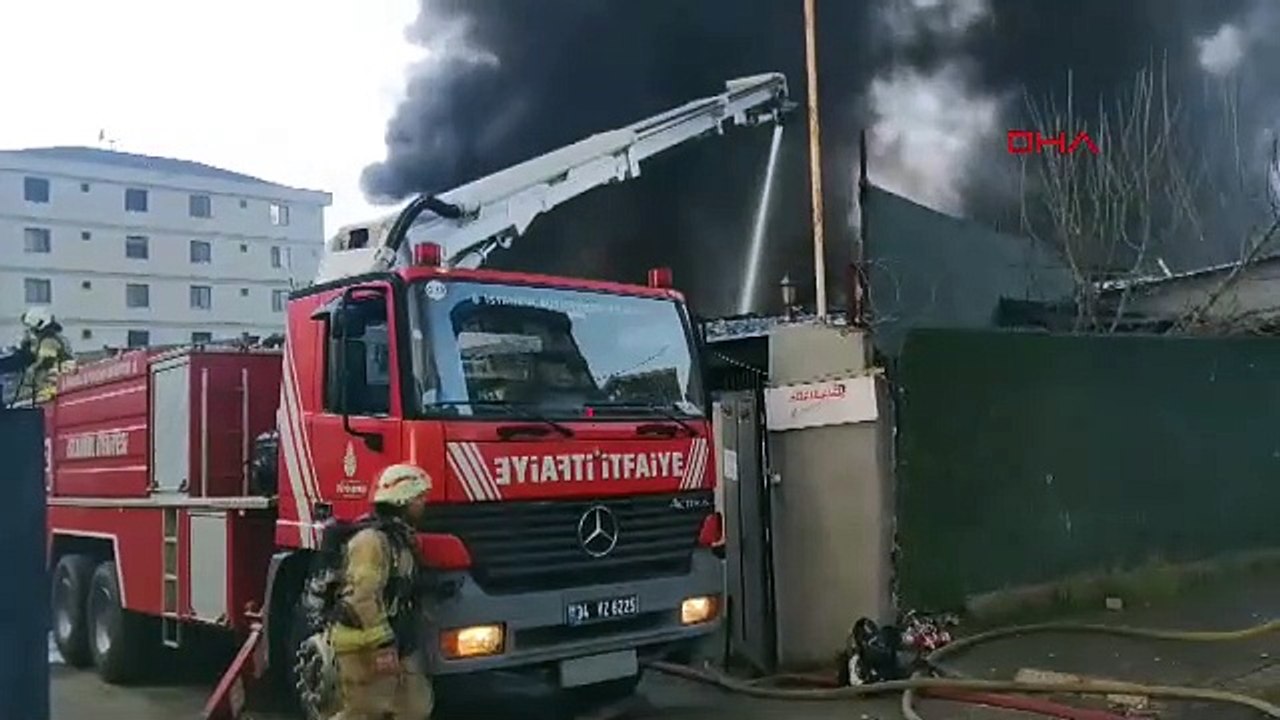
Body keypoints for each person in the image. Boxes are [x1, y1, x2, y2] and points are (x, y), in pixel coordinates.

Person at [328, 464, 435, 719]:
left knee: (414, 707)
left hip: (393, 638)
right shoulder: (371, 541)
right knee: (363, 712)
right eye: (419, 498)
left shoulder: (399, 538)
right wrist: (383, 646)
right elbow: (362, 598)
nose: (424, 504)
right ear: (402, 500)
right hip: (363, 642)